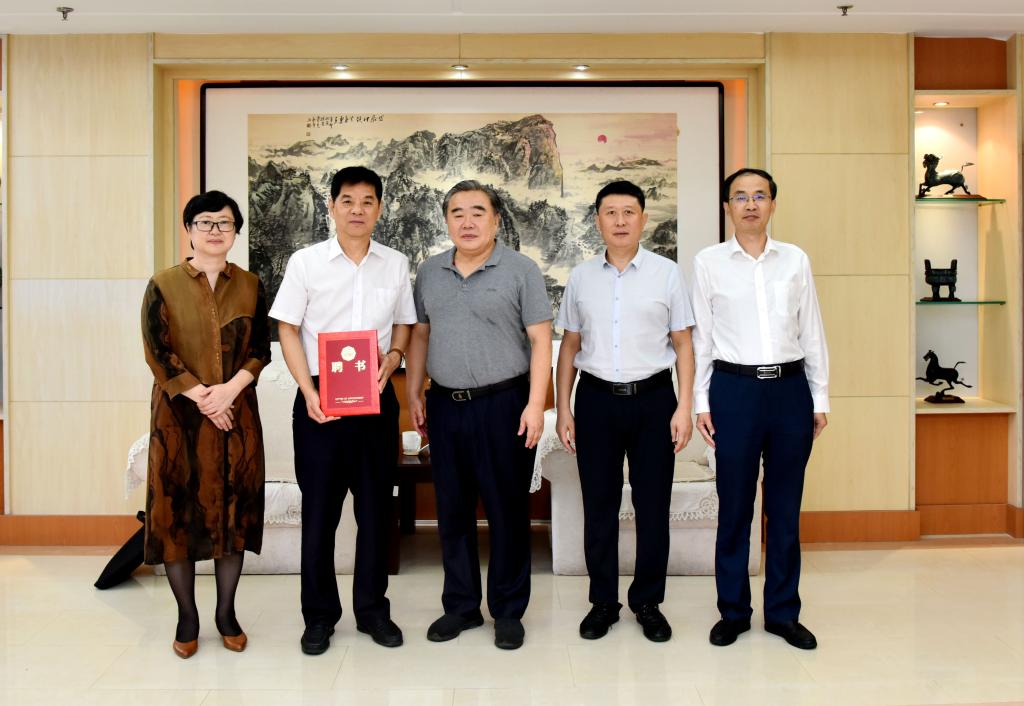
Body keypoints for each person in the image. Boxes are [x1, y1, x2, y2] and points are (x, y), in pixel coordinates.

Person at [269, 166, 416, 654]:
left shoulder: (395, 264)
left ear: (379, 208)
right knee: (320, 515)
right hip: (319, 403)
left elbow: (404, 324)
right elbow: (287, 328)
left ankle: (373, 612)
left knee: (376, 513)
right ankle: (318, 617)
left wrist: (394, 357)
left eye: (367, 201)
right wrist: (306, 390)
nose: (357, 209)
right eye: (347, 200)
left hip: (375, 400)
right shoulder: (306, 262)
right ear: (331, 206)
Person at [405, 180, 552, 650]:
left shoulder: (520, 270)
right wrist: (414, 391)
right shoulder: (430, 272)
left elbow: (541, 341)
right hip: (446, 405)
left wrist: (535, 404)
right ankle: (461, 606)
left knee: (507, 511)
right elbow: (421, 335)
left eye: (477, 212)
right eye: (457, 213)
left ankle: (508, 611)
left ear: (496, 219)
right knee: (452, 510)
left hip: (505, 404)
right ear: (446, 220)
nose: (467, 222)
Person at [691, 168, 829, 650]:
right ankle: (733, 612)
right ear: (727, 207)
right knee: (734, 509)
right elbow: (702, 339)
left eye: (759, 196)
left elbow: (812, 331)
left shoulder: (795, 260)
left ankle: (783, 614)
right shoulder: (708, 263)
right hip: (734, 392)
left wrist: (819, 397)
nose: (750, 204)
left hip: (790, 391)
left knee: (785, 510)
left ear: (773, 204)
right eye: (740, 197)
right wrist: (701, 403)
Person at [554, 180, 695, 643]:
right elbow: (569, 346)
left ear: (643, 219)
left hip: (655, 400)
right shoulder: (581, 277)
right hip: (596, 401)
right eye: (610, 212)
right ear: (597, 220)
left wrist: (685, 406)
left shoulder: (667, 274)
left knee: (653, 506)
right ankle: (603, 602)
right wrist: (563, 409)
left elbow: (683, 343)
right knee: (599, 506)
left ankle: (648, 602)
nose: (620, 221)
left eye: (628, 212)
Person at [142, 190, 271, 659]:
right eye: (205, 222)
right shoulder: (163, 283)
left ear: (235, 232)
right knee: (176, 512)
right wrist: (204, 397)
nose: (215, 231)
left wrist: (227, 392)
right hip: (178, 418)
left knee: (232, 511)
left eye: (225, 223)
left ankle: (226, 614)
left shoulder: (251, 285)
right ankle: (187, 617)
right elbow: (158, 351)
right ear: (189, 230)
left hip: (236, 413)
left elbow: (260, 349)